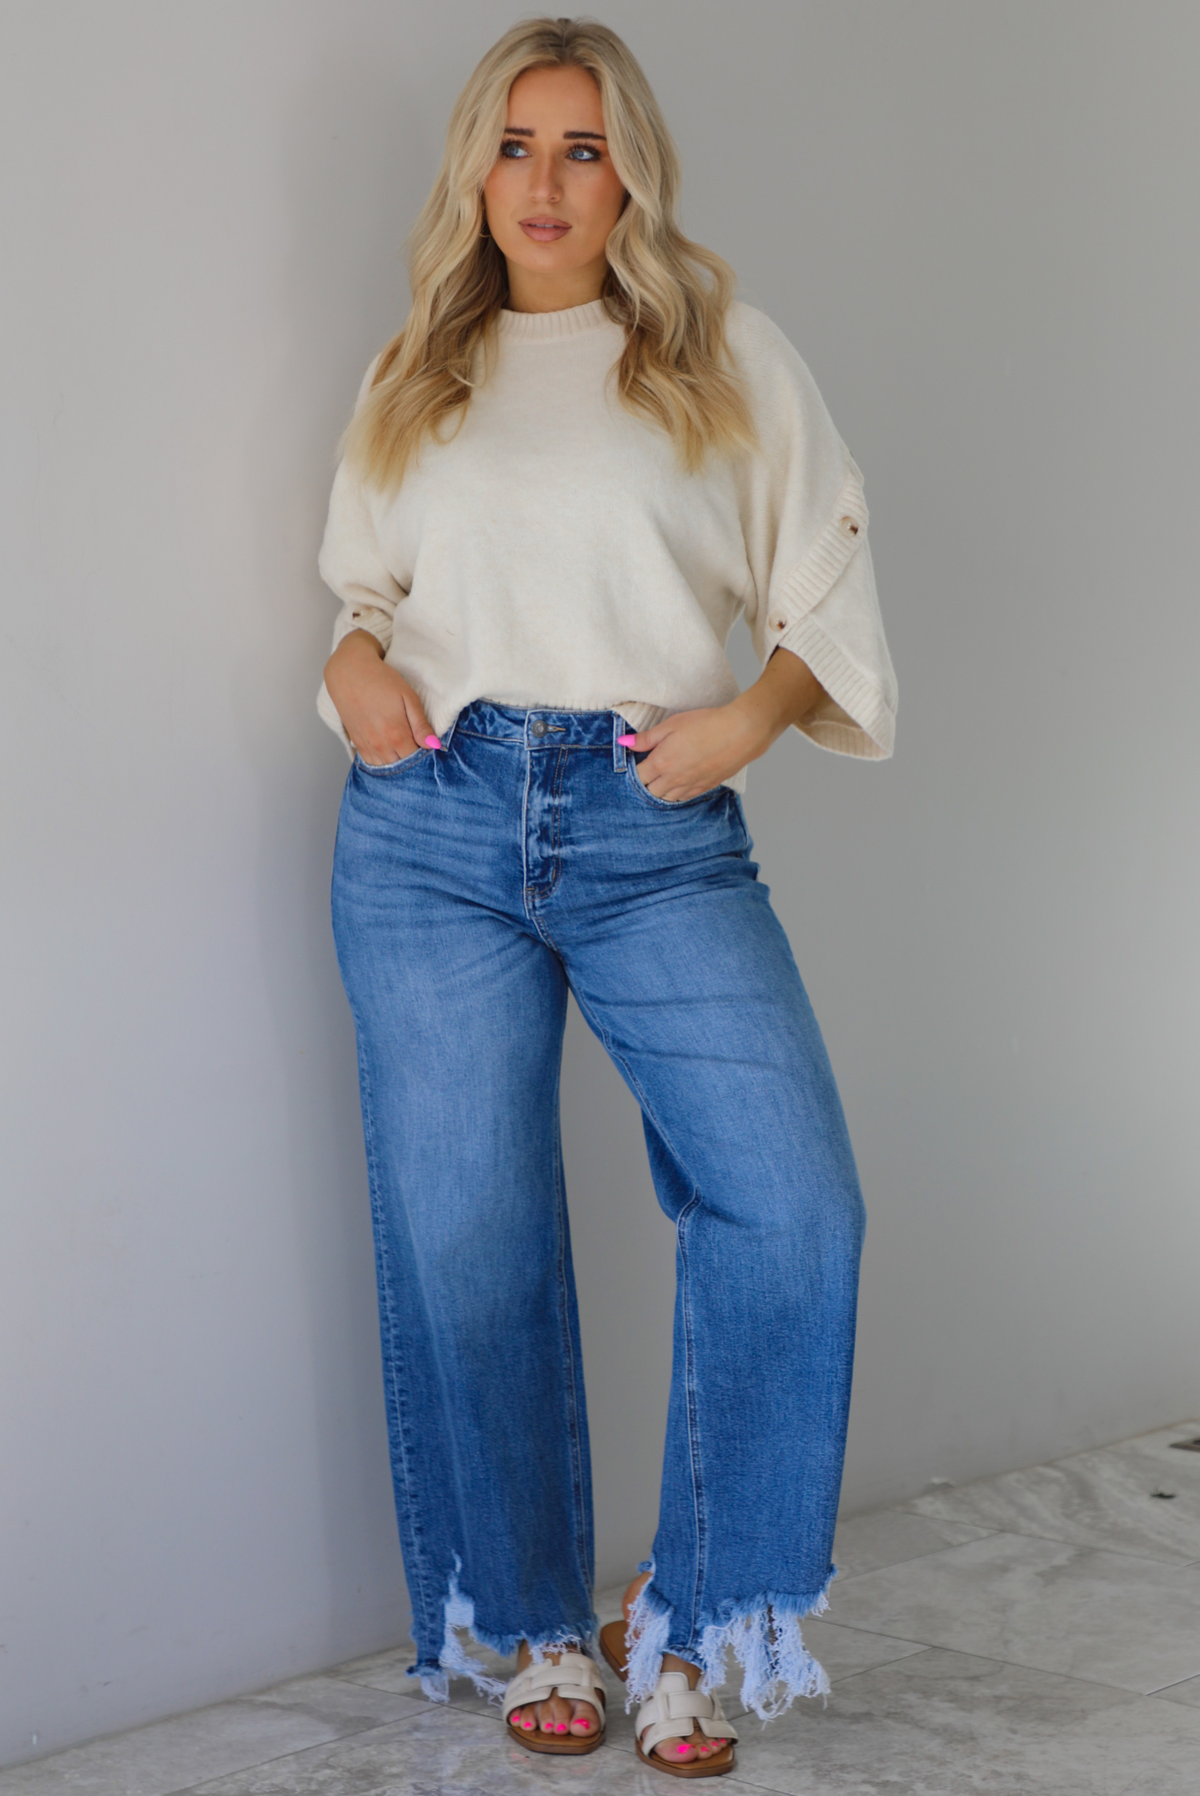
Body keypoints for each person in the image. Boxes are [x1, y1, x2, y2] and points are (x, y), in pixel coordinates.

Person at [317, 15, 896, 1778]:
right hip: (430, 828)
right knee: (469, 1238)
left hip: (652, 822)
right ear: (473, 173)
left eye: (582, 146)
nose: (546, 181)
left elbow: (825, 585)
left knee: (792, 1203)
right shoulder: (419, 365)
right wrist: (352, 670)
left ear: (631, 170)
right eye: (515, 145)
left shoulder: (722, 353)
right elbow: (363, 594)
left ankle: (693, 1620)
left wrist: (748, 723)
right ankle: (539, 1626)